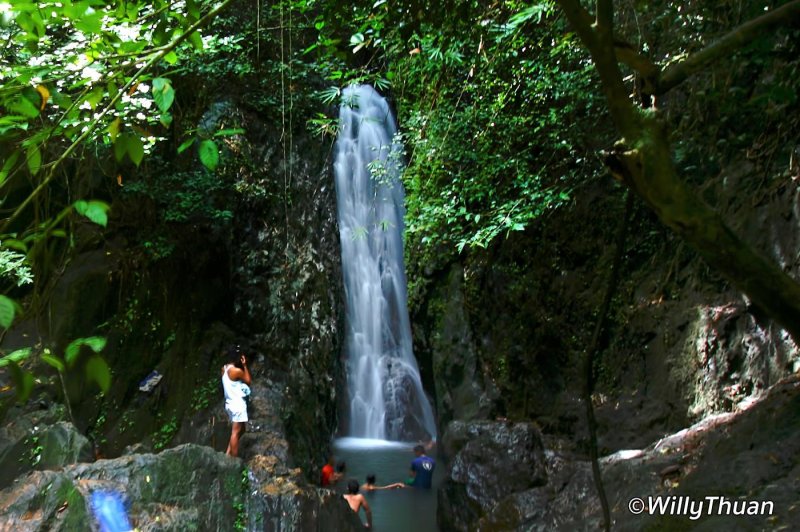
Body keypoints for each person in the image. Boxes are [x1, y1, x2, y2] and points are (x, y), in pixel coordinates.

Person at [221, 345, 251, 457]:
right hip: (237, 404)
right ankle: (234, 461)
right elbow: (248, 381)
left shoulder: (224, 369)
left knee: (240, 429)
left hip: (229, 403)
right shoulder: (236, 371)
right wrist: (244, 365)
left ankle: (228, 454)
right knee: (235, 432)